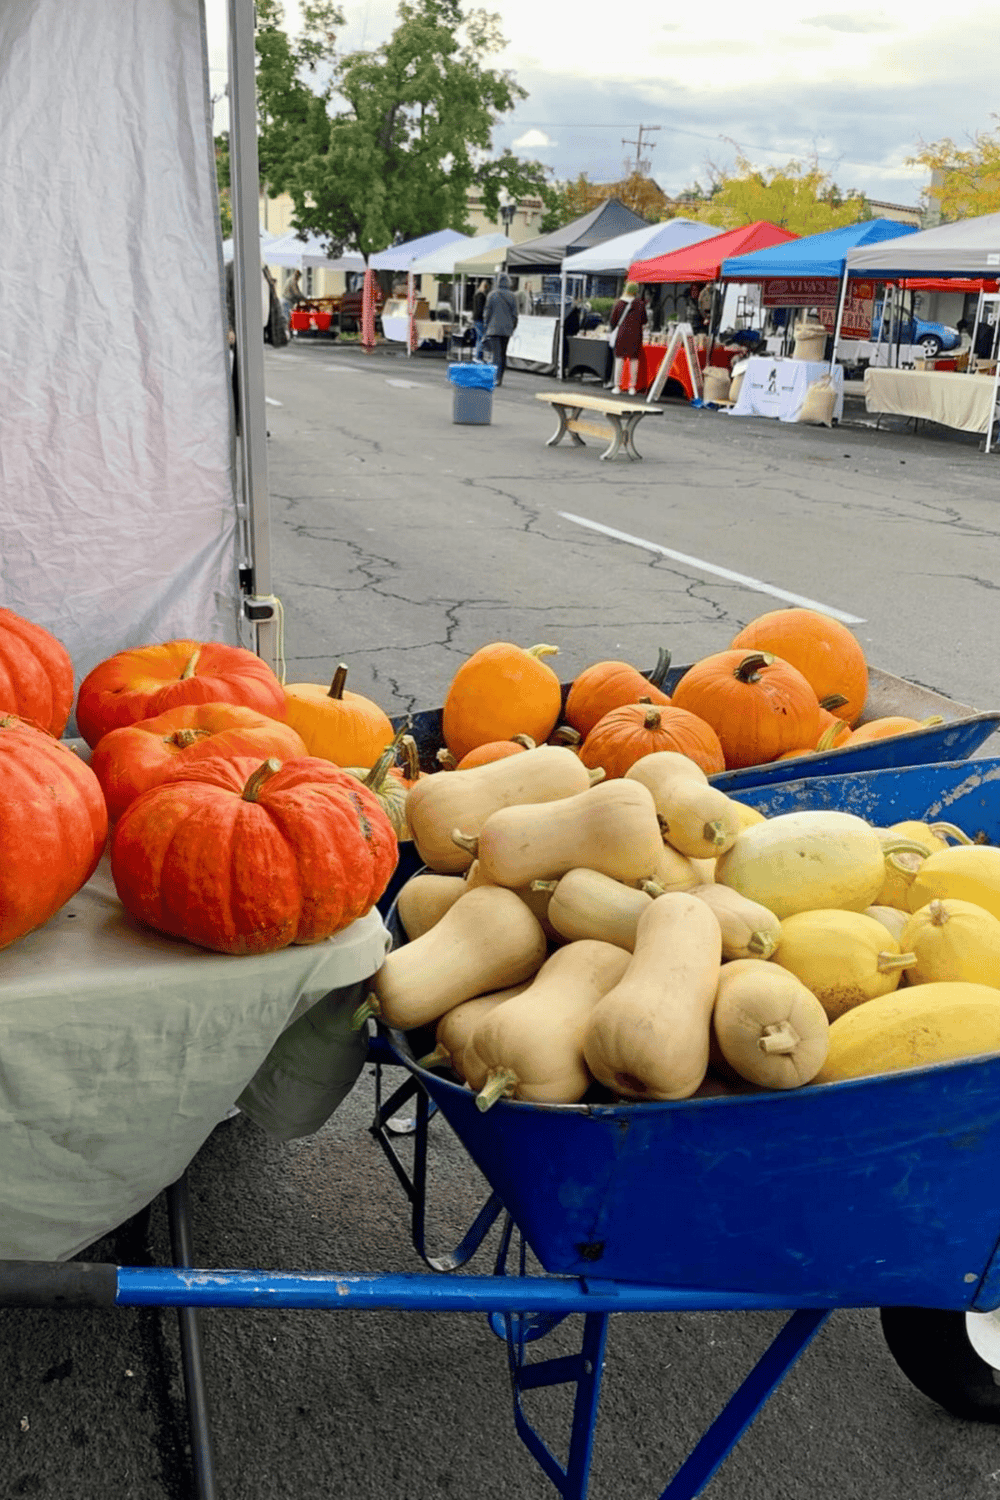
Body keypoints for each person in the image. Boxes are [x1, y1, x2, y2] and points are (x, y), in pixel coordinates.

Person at [607, 281, 647, 395]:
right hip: (635, 335)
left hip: (622, 334)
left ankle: (617, 386)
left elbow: (613, 321)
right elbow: (644, 320)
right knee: (634, 360)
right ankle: (632, 387)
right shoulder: (640, 304)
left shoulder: (619, 304)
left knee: (619, 359)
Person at [483, 272, 519, 387]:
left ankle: (495, 378)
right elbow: (515, 315)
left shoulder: (492, 295)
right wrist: (512, 327)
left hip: (493, 329)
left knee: (496, 355)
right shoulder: (512, 296)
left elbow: (487, 313)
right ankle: (500, 378)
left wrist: (486, 325)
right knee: (503, 354)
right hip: (506, 330)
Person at [472, 279, 489, 360]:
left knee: (479, 338)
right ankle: (479, 356)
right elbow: (480, 309)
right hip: (480, 319)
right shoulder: (481, 296)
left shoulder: (476, 295)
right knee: (481, 338)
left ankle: (478, 355)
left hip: (476, 318)